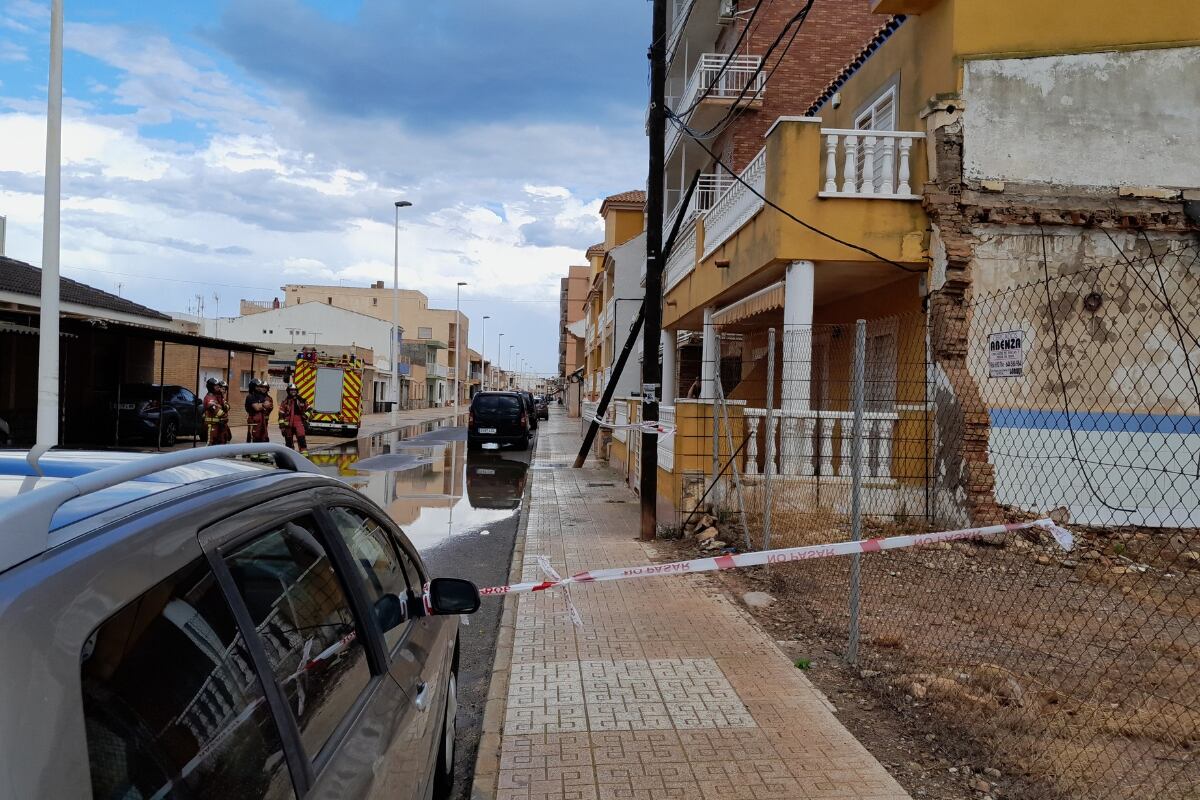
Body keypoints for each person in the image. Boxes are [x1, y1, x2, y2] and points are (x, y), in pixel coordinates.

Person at [277, 382, 309, 452]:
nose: (293, 391)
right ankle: (290, 456)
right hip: (288, 424)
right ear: (288, 391)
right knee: (288, 442)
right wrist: (282, 427)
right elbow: (281, 414)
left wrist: (305, 416)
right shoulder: (285, 402)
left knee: (301, 439)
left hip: (299, 422)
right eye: (291, 390)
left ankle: (304, 455)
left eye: (294, 390)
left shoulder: (302, 400)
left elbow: (310, 410)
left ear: (297, 391)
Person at [203, 378, 231, 445]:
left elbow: (227, 406)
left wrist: (221, 406)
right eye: (216, 386)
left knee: (221, 441)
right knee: (211, 443)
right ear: (211, 387)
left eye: (218, 385)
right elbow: (214, 408)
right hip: (211, 425)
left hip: (219, 424)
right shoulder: (209, 397)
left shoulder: (217, 396)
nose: (218, 387)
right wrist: (224, 415)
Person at [244, 378, 274, 443]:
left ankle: (262, 453)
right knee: (254, 438)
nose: (260, 388)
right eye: (258, 386)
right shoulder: (250, 396)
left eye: (260, 386)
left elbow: (269, 405)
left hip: (262, 421)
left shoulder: (262, 397)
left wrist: (262, 405)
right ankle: (251, 452)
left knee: (264, 438)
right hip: (253, 421)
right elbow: (257, 407)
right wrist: (263, 405)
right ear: (253, 387)